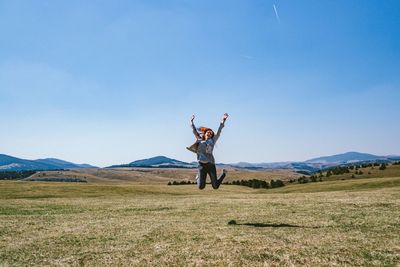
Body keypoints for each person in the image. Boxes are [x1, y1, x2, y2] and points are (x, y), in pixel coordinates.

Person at [187, 113, 229, 189]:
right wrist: (191, 121)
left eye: (211, 133)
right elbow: (194, 130)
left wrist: (223, 120)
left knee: (215, 186)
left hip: (210, 165)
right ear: (205, 134)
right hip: (201, 166)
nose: (210, 134)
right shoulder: (199, 139)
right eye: (208, 132)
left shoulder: (212, 141)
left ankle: (224, 174)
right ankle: (197, 177)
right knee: (201, 187)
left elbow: (219, 131)